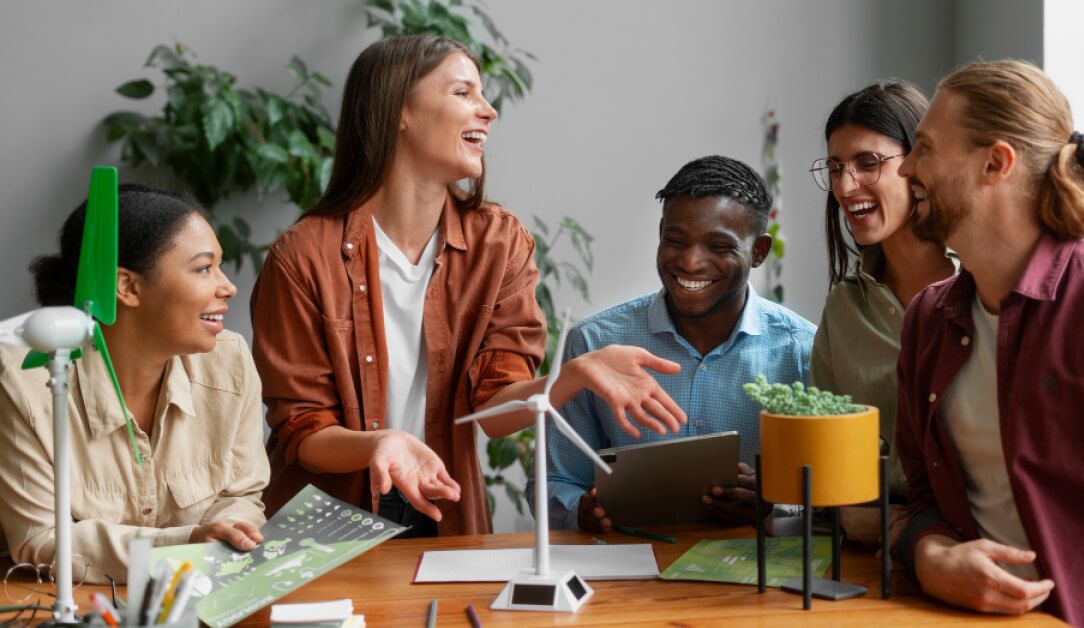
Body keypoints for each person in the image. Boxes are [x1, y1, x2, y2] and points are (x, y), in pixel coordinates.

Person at [251, 35, 686, 537]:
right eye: (464, 93)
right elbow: (303, 430)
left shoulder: (499, 244)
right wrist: (379, 445)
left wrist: (576, 374)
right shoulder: (303, 255)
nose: (489, 111)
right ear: (400, 111)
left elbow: (496, 412)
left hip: (441, 514)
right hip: (323, 524)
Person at [894, 59, 1084, 626]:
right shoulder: (926, 322)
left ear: (996, 163)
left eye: (926, 148)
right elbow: (922, 499)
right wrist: (930, 554)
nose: (907, 167)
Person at [0, 184, 268, 582]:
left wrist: (228, 534)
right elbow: (40, 538)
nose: (227, 287)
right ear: (127, 287)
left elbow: (242, 495)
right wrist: (185, 544)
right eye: (202, 268)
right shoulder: (25, 379)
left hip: (202, 599)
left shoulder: (230, 361)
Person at [536, 155, 817, 532]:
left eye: (719, 246)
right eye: (675, 240)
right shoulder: (594, 344)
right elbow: (555, 483)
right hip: (626, 569)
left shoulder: (803, 350)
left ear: (759, 252)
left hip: (755, 572)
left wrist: (774, 511)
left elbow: (832, 506)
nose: (690, 261)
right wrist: (579, 512)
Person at [808, 81, 955, 544]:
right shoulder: (845, 308)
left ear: (918, 162)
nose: (846, 186)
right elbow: (822, 453)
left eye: (867, 163)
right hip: (873, 553)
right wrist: (848, 516)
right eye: (835, 168)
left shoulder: (985, 291)